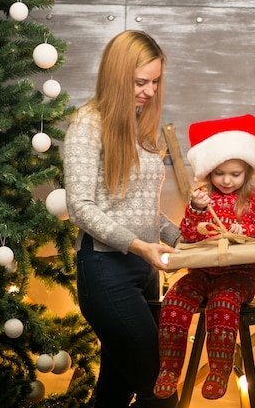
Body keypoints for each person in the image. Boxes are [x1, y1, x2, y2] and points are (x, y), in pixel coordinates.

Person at [63, 30, 181, 408]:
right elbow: (80, 206)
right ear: (117, 76)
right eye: (140, 82)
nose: (148, 90)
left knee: (115, 391)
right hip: (105, 271)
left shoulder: (139, 127)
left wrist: (187, 240)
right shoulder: (87, 124)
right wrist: (137, 245)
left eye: (155, 82)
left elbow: (142, 208)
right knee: (159, 387)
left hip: (144, 272)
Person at [153, 114, 255, 401]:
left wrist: (242, 228)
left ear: (247, 171)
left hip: (238, 275)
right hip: (201, 273)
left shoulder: (253, 199)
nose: (227, 180)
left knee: (222, 304)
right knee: (173, 300)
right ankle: (169, 370)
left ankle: (219, 370)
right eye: (220, 173)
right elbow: (187, 236)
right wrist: (195, 210)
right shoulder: (202, 197)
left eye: (235, 174)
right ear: (209, 172)